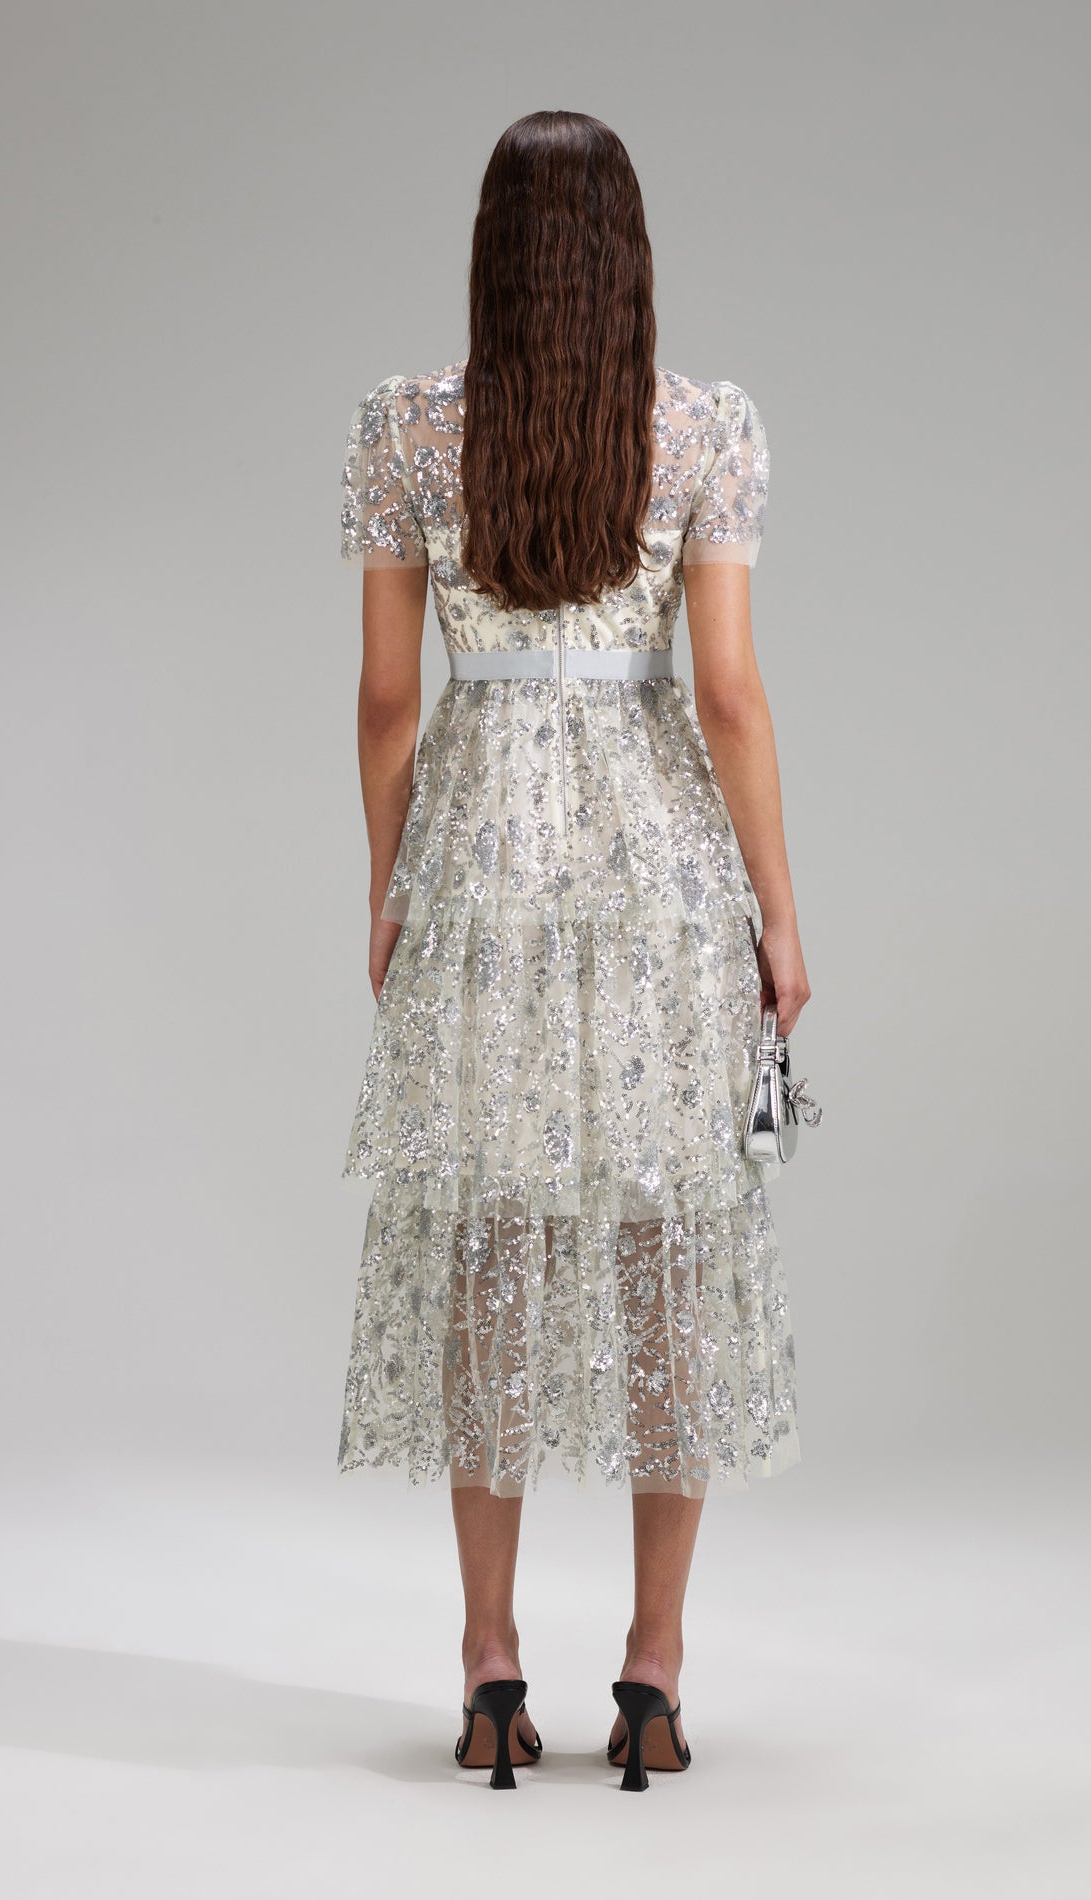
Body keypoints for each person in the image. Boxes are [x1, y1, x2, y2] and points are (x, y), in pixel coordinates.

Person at [337, 110, 811, 1793]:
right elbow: (728, 694)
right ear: (629, 259)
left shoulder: (405, 429)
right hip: (657, 873)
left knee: (490, 1246)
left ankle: (487, 1667)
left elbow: (387, 700)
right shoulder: (704, 427)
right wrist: (778, 909)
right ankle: (654, 1675)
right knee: (670, 1249)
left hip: (481, 867)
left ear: (490, 253)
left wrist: (391, 886)